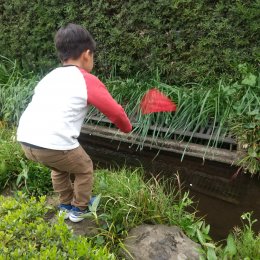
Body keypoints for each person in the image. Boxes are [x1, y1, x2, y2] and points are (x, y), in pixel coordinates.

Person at [17, 23, 132, 223]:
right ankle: (79, 209)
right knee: (85, 167)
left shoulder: (50, 77)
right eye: (93, 56)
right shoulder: (86, 80)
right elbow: (115, 111)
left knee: (59, 167)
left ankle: (64, 204)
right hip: (53, 144)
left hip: (26, 141)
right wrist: (126, 128)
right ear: (87, 54)